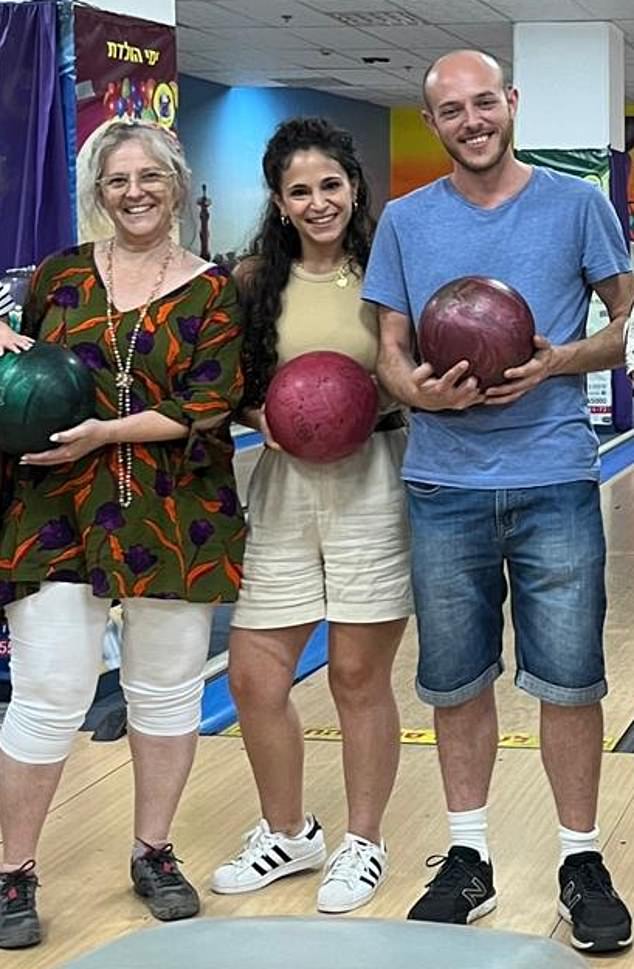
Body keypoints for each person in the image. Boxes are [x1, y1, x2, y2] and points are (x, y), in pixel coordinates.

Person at [362, 50, 634, 954]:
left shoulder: (577, 204)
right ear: (432, 121)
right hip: (444, 483)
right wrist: (419, 394)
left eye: (486, 103)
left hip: (554, 472)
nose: (472, 120)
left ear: (511, 104)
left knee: (570, 678)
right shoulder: (405, 219)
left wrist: (558, 360)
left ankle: (581, 861)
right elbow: (389, 350)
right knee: (455, 679)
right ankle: (468, 857)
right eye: (452, 110)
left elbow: (623, 321)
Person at [0, 120, 245, 949]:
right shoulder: (59, 276)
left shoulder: (214, 290)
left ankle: (154, 851)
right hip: (57, 507)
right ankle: (13, 870)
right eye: (116, 181)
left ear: (176, 181)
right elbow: (24, 375)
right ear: (96, 193)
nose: (134, 192)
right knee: (48, 693)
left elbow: (208, 404)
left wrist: (107, 433)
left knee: (167, 691)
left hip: (176, 512)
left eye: (149, 176)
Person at [210, 117, 412, 913]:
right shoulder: (253, 278)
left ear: (354, 188)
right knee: (253, 672)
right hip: (283, 482)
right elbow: (222, 382)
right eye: (301, 190)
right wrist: (264, 413)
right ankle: (289, 832)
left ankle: (364, 840)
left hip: (373, 478)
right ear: (280, 201)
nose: (319, 200)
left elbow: (410, 370)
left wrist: (376, 398)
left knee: (359, 674)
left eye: (332, 184)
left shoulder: (386, 271)